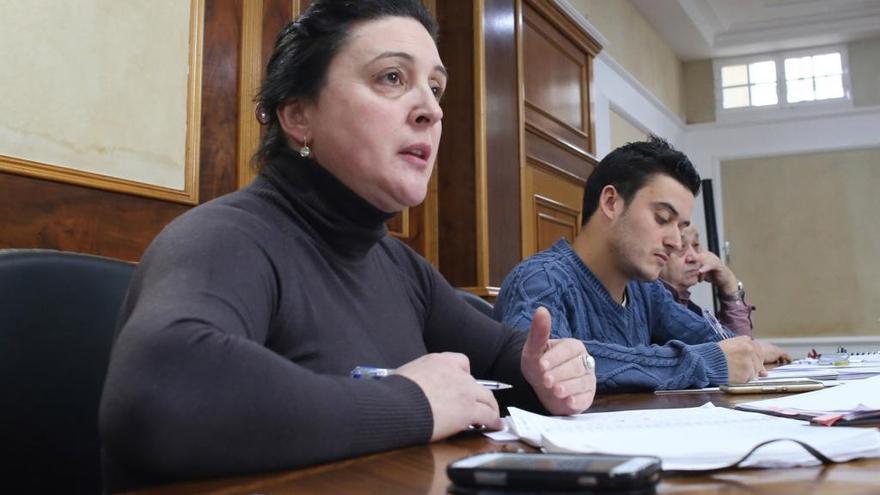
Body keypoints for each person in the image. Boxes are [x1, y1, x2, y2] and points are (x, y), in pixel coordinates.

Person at [99, 1, 595, 490]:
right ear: (298, 116)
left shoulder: (399, 264)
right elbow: (163, 389)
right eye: (392, 78)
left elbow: (505, 354)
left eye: (436, 87)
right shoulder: (226, 237)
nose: (431, 109)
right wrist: (413, 404)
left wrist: (548, 373)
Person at [494, 137, 769, 393]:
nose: (675, 241)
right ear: (611, 202)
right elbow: (551, 365)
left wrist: (730, 295)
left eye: (681, 227)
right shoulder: (540, 280)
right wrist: (702, 363)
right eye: (662, 218)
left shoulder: (646, 292)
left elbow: (726, 346)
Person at [659, 225, 790, 360]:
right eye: (681, 247)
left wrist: (729, 285)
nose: (694, 258)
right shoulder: (654, 304)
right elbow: (738, 355)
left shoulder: (689, 307)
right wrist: (756, 352)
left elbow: (739, 350)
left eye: (696, 245)